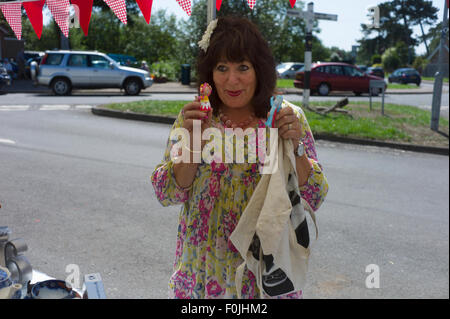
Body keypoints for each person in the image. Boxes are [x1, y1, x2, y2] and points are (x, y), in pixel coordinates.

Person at [151, 16, 328, 299]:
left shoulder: (285, 117)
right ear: (210, 74)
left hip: (266, 274)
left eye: (243, 67)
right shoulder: (195, 119)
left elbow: (314, 195)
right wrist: (193, 144)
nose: (232, 80)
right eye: (222, 68)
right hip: (204, 274)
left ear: (260, 70)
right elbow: (166, 193)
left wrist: (295, 148)